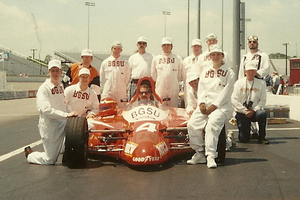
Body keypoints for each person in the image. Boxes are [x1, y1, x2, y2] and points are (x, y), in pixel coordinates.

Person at [187, 45, 235, 168]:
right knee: (192, 124)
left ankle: (211, 156)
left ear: (222, 56)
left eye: (218, 54)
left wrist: (214, 106)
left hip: (221, 107)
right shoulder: (206, 71)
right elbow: (202, 89)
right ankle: (199, 153)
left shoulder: (229, 72)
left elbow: (226, 92)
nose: (215, 57)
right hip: (206, 105)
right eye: (213, 55)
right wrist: (201, 103)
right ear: (209, 56)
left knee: (211, 126)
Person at [25, 59, 78, 165]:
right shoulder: (44, 89)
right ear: (49, 72)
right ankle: (30, 155)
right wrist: (66, 115)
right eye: (52, 71)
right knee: (50, 159)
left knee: (82, 127)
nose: (55, 73)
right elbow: (46, 110)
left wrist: (72, 113)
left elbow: (64, 104)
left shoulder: (61, 86)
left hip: (62, 122)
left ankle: (66, 152)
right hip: (50, 126)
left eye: (57, 71)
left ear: (61, 72)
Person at [238, 35, 271, 139]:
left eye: (254, 42)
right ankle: (252, 131)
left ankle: (262, 134)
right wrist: (240, 82)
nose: (252, 43)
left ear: (257, 43)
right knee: (246, 104)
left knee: (258, 107)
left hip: (258, 82)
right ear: (248, 43)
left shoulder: (263, 55)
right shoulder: (244, 57)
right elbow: (241, 71)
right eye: (250, 42)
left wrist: (256, 73)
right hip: (246, 83)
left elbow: (266, 69)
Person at [231, 62, 269, 144]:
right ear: (245, 72)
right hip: (242, 112)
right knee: (244, 139)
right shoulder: (238, 83)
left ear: (255, 72)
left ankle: (262, 137)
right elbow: (234, 99)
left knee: (262, 114)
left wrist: (254, 110)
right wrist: (244, 110)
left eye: (253, 71)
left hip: (254, 111)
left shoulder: (261, 83)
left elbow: (263, 100)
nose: (251, 73)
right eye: (249, 71)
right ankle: (245, 134)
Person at [151, 37, 184, 107]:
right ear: (161, 46)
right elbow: (153, 74)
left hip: (173, 87)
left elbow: (180, 74)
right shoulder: (156, 59)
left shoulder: (177, 58)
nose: (166, 46)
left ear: (171, 46)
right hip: (160, 87)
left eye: (168, 45)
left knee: (173, 108)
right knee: (160, 107)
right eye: (164, 45)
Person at [100, 41, 131, 108]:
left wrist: (122, 86)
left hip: (121, 91)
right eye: (115, 48)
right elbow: (102, 78)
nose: (116, 51)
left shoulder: (125, 62)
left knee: (123, 108)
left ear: (121, 50)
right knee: (106, 108)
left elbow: (127, 77)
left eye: (118, 49)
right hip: (108, 90)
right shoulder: (105, 62)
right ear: (111, 49)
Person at [183, 39, 203, 108]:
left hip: (200, 85)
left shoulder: (204, 58)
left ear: (201, 47)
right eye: (194, 46)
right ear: (191, 47)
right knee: (188, 105)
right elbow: (183, 74)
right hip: (189, 85)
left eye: (198, 46)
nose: (196, 48)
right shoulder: (186, 60)